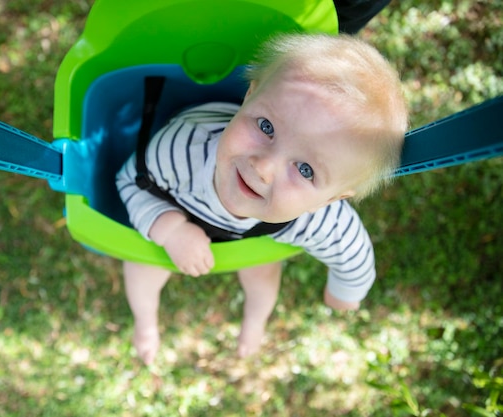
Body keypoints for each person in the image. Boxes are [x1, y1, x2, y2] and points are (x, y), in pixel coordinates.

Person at [116, 33, 408, 365]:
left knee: (263, 272)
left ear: (330, 199)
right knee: (142, 264)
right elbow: (132, 180)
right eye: (266, 126)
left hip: (252, 234)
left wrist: (345, 295)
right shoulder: (183, 148)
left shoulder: (316, 217)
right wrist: (169, 229)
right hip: (180, 202)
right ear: (249, 96)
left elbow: (353, 254)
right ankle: (146, 323)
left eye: (305, 169)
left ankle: (255, 322)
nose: (264, 168)